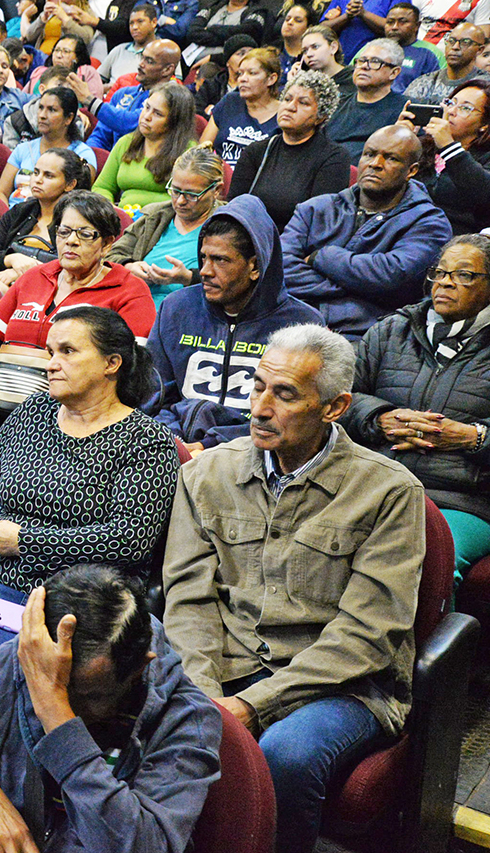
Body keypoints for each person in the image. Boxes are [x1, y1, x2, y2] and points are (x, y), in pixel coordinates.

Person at [163, 324, 424, 853]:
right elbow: (189, 598)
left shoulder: (389, 492)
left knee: (286, 754)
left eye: (284, 395)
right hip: (225, 666)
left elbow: (365, 636)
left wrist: (252, 706)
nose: (260, 407)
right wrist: (205, 695)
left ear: (334, 407)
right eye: (257, 386)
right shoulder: (207, 472)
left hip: (343, 685)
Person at [0, 563, 221, 850]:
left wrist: (56, 716)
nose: (62, 703)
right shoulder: (19, 665)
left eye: (88, 695)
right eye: (51, 686)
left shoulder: (187, 720)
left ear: (139, 669)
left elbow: (143, 845)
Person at [0, 305, 179, 652]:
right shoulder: (32, 411)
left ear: (112, 364)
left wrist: (20, 540)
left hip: (84, 603)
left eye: (67, 352)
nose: (51, 364)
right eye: (50, 352)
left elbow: (128, 540)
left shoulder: (146, 440)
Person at [344, 234, 490, 586]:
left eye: (463, 275)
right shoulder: (392, 331)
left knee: (425, 565)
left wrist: (474, 438)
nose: (445, 282)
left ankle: (432, 644)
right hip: (377, 485)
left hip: (460, 500)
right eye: (439, 273)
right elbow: (340, 399)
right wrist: (378, 418)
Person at [147, 196, 322, 452]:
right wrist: (175, 443)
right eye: (203, 257)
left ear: (255, 267)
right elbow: (154, 398)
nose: (205, 270)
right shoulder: (175, 308)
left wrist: (211, 446)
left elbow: (295, 417)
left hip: (258, 453)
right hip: (172, 447)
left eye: (220, 260)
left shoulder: (302, 325)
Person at [0, 191, 155, 411]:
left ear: (107, 244)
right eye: (64, 232)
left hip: (66, 418)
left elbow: (130, 370)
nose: (71, 241)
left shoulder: (129, 291)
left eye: (85, 234)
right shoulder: (34, 277)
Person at [283, 125, 453, 338]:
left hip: (369, 336)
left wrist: (321, 257)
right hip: (294, 325)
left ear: (412, 170)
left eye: (391, 158)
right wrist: (356, 285)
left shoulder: (429, 222)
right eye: (369, 154)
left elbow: (391, 276)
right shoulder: (315, 208)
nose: (375, 164)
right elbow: (280, 268)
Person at [228, 69, 351, 229]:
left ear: (321, 116)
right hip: (250, 239)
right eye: (287, 99)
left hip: (296, 246)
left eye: (303, 103)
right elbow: (233, 208)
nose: (291, 107)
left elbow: (320, 222)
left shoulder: (334, 157)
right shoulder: (256, 151)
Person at [107, 145, 224, 307]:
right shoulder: (154, 216)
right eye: (175, 191)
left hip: (195, 312)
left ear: (216, 190)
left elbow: (234, 280)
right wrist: (129, 266)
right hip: (135, 305)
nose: (180, 201)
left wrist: (189, 278)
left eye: (191, 195)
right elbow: (110, 256)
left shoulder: (227, 224)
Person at [0, 147, 92, 290]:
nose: (38, 180)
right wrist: (11, 259)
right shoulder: (20, 212)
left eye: (49, 176)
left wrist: (22, 274)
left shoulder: (79, 222)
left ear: (70, 184)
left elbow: (75, 274)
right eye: (35, 173)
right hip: (6, 285)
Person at [399, 77, 490, 233]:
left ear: (484, 124)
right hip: (405, 228)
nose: (451, 111)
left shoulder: (485, 156)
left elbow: (484, 195)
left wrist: (449, 147)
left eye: (465, 108)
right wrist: (399, 141)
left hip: (458, 237)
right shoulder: (422, 146)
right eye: (450, 103)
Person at [93, 83, 198, 210]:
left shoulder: (189, 153)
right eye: (147, 107)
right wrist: (110, 211)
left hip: (164, 221)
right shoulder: (126, 142)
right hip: (122, 220)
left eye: (158, 114)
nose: (146, 117)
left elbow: (189, 200)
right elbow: (102, 187)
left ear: (175, 121)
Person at [0, 87, 97, 200]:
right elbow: (1, 193)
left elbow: (79, 200)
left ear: (69, 118)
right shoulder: (23, 148)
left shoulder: (82, 155)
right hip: (14, 213)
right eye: (40, 108)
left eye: (52, 110)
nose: (42, 115)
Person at [80, 39, 182, 151]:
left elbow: (129, 123)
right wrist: (91, 159)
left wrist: (89, 100)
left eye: (149, 61)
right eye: (142, 57)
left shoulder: (173, 100)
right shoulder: (123, 93)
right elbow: (100, 136)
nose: (141, 64)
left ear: (167, 70)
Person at [325, 38, 409, 157]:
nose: (364, 66)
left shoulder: (405, 110)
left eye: (375, 62)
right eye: (361, 61)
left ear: (394, 73)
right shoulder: (335, 106)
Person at [201, 46, 281, 165]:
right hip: (219, 177)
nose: (243, 79)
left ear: (271, 79)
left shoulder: (284, 115)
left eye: (252, 73)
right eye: (240, 73)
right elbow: (201, 151)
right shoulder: (229, 102)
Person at [403, 23, 488, 104]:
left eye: (465, 42)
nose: (455, 47)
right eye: (451, 41)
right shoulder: (423, 83)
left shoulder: (486, 84)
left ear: (480, 50)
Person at [24, 0, 95, 57]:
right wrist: (43, 18)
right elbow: (30, 36)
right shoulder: (53, 9)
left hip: (64, 59)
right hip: (41, 57)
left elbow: (86, 38)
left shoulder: (84, 11)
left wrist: (65, 18)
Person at [384, 4, 444, 95]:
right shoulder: (372, 49)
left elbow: (438, 90)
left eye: (402, 22)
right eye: (390, 22)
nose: (395, 27)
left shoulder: (430, 53)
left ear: (417, 26)